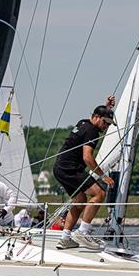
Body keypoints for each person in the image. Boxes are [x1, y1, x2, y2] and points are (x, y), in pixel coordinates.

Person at [52, 95, 116, 250]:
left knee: (80, 200)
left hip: (59, 168)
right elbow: (87, 157)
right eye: (104, 122)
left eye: (108, 124)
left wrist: (106, 107)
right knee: (99, 193)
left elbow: (96, 115)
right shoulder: (92, 131)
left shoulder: (83, 123)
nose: (105, 127)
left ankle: (65, 238)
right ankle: (83, 232)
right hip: (70, 168)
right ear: (96, 117)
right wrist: (103, 176)